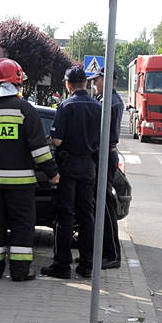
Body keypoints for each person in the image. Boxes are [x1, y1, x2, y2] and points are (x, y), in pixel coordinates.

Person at [0, 58, 59, 282]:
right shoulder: (25, 109)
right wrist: (52, 173)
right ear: (15, 82)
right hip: (21, 185)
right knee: (22, 226)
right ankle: (19, 271)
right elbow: (39, 150)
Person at [41, 66, 101, 280]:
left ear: (68, 85)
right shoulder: (97, 107)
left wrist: (52, 138)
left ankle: (62, 265)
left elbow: (57, 141)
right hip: (89, 166)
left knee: (64, 215)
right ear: (86, 83)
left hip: (68, 166)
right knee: (86, 215)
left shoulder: (66, 106)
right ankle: (87, 265)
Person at [88, 67, 123, 269]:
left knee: (105, 206)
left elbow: (99, 132)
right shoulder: (105, 100)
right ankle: (102, 253)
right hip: (103, 154)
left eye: (97, 80)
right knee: (100, 205)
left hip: (104, 154)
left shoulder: (110, 102)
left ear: (109, 80)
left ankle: (112, 255)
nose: (94, 84)